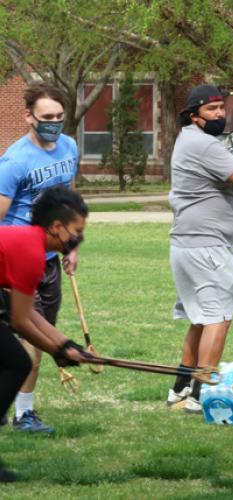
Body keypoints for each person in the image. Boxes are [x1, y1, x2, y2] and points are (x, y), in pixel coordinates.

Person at [167, 83, 233, 413]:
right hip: (206, 246)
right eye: (211, 110)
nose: (219, 114)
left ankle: (180, 387)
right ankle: (200, 394)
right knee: (218, 317)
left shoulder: (191, 141)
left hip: (187, 244)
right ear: (193, 116)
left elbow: (221, 176)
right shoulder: (202, 143)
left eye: (221, 108)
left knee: (200, 318)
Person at [0, 82, 79, 433]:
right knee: (28, 335)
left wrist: (70, 245)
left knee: (35, 334)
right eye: (47, 117)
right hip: (16, 263)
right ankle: (22, 413)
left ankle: (19, 409)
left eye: (60, 116)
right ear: (29, 116)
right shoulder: (14, 162)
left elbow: (69, 202)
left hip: (46, 259)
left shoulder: (70, 147)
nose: (54, 123)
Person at [0, 186, 89, 482]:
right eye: (76, 230)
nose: (79, 238)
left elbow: (29, 315)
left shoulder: (31, 244)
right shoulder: (31, 253)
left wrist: (65, 343)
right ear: (56, 227)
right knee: (17, 362)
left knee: (13, 361)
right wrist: (59, 352)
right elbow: (21, 320)